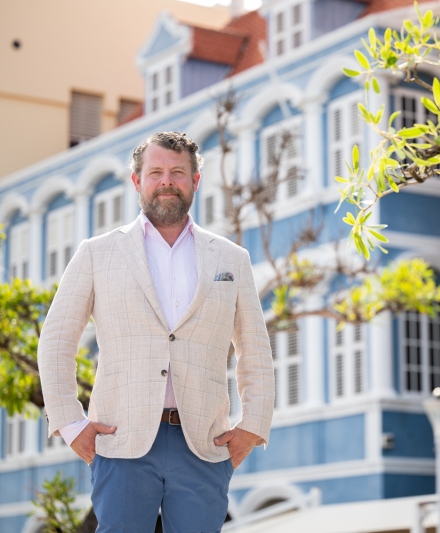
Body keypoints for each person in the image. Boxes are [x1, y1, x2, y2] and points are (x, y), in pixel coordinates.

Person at [38, 131, 275, 532]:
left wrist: (253, 425)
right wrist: (70, 423)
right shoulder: (96, 254)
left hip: (203, 444)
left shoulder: (231, 258)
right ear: (137, 181)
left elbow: (255, 349)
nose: (167, 181)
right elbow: (57, 339)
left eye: (178, 172)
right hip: (121, 442)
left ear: (195, 181)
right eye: (156, 172)